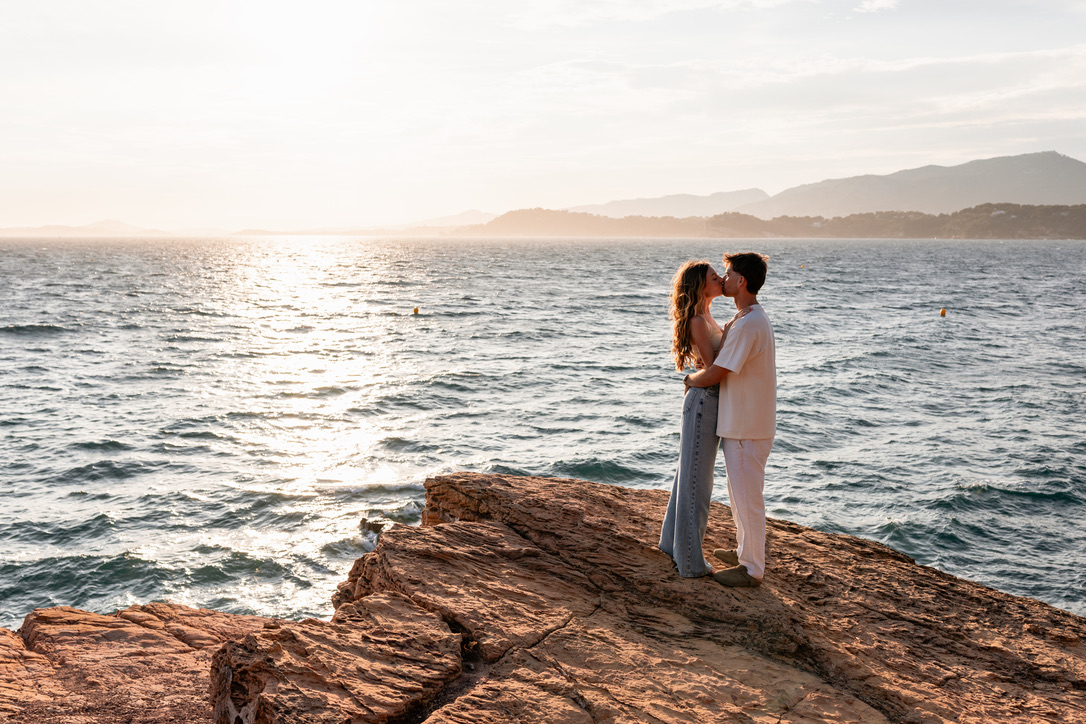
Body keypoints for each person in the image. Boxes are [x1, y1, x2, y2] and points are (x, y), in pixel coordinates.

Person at [683, 252, 776, 588]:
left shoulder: (749, 322)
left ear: (742, 282)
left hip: (747, 425)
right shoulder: (745, 317)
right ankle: (743, 552)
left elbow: (719, 371)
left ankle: (752, 568)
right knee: (739, 493)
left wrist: (691, 380)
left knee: (748, 496)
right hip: (743, 423)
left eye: (728, 274)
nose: (723, 278)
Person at [658, 260, 727, 578]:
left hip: (703, 401)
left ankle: (671, 547)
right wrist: (692, 380)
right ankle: (690, 563)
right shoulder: (699, 320)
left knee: (687, 477)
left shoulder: (707, 315)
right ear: (702, 285)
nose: (721, 278)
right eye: (715, 276)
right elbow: (713, 371)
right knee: (696, 485)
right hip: (704, 401)